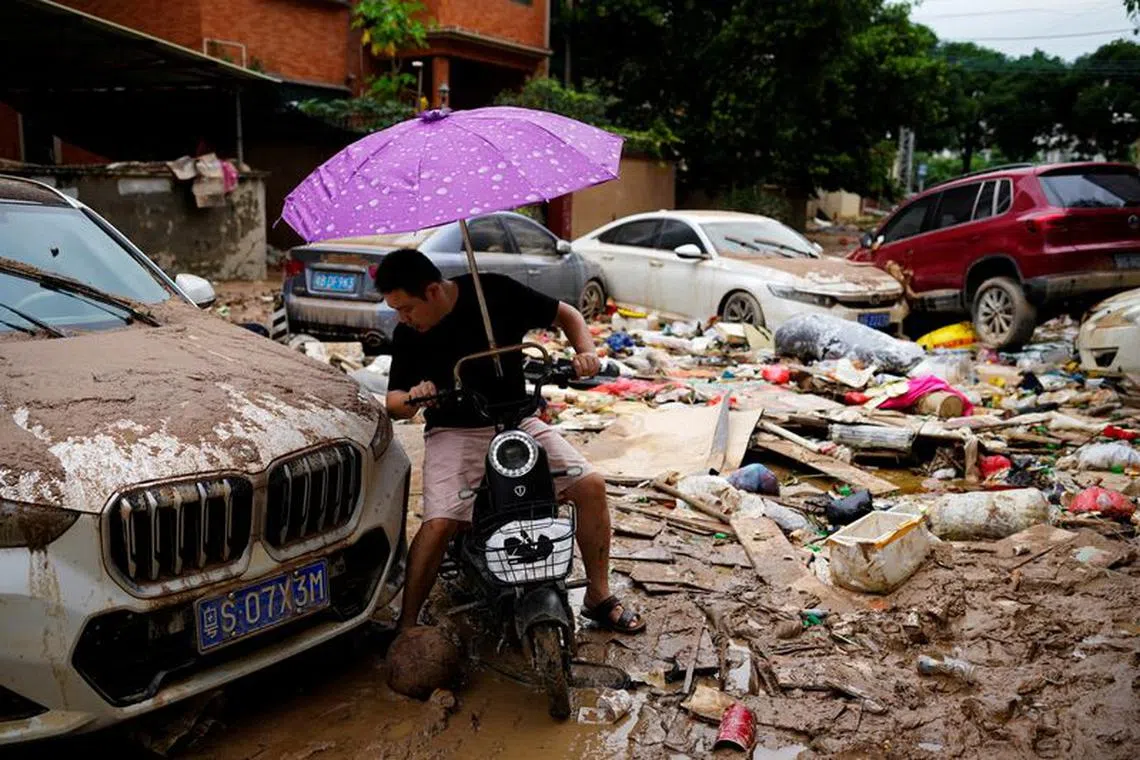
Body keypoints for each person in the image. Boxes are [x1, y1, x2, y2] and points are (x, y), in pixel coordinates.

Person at [377, 248, 645, 635]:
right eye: (396, 311)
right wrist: (415, 396)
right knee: (439, 523)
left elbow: (566, 314)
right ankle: (407, 623)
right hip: (454, 430)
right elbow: (393, 402)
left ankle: (598, 596)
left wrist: (585, 352)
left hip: (518, 420)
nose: (402, 318)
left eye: (406, 308)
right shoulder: (408, 334)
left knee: (590, 486)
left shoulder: (494, 292)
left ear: (433, 291)